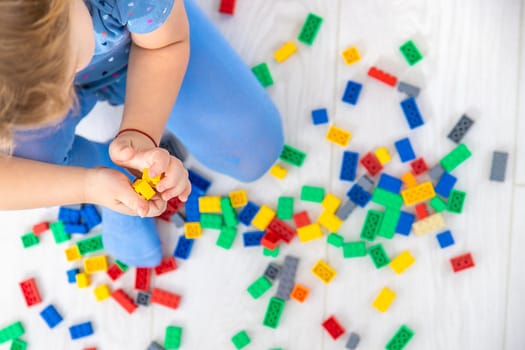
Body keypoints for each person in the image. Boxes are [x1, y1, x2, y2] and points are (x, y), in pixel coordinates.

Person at [0, 0, 284, 266]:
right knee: (27, 164)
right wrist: (88, 185)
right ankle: (109, 171)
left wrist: (141, 132)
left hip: (151, 40)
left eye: (67, 65)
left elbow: (164, 46)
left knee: (253, 152)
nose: (62, 91)